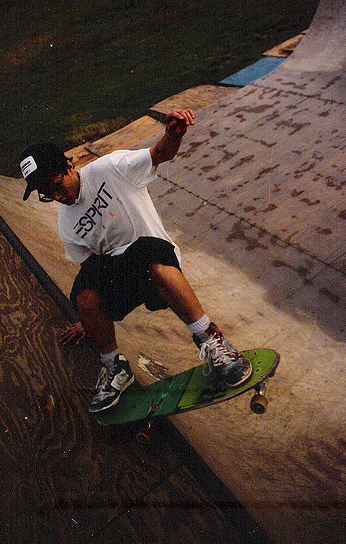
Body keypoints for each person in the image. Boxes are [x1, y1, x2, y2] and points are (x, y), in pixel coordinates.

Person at [19, 109, 252, 413]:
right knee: (83, 296)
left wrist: (173, 133)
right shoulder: (66, 224)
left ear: (69, 166)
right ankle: (114, 367)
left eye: (55, 186)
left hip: (158, 261)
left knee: (146, 255)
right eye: (46, 194)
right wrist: (90, 317)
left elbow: (160, 154)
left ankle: (212, 341)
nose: (56, 196)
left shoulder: (110, 168)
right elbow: (91, 270)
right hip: (124, 275)